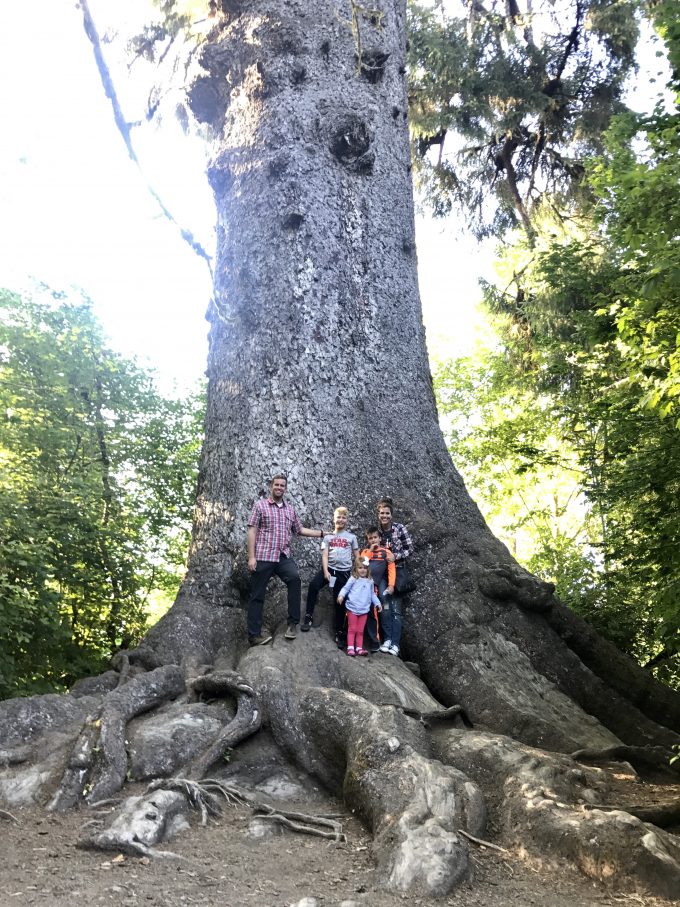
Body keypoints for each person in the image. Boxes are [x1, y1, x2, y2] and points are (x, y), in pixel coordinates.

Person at [246, 474, 325, 646]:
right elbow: (252, 531)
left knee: (295, 579)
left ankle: (292, 624)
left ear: (286, 489)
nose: (279, 488)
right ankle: (254, 635)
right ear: (271, 486)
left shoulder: (290, 510)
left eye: (282, 485)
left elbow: (300, 529)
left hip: (282, 556)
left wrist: (322, 534)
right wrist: (251, 557)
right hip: (263, 556)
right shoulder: (260, 506)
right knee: (257, 595)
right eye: (277, 485)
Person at [302, 507, 359, 640]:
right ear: (334, 519)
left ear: (347, 520)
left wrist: (358, 574)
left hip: (343, 573)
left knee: (340, 600)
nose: (341, 520)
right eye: (338, 517)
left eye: (344, 517)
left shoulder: (352, 537)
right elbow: (325, 556)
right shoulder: (328, 537)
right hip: (329, 569)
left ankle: (339, 631)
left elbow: (357, 557)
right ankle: (308, 616)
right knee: (313, 585)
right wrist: (326, 571)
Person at [375, 497, 414, 657]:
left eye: (387, 513)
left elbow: (410, 548)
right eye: (382, 513)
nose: (384, 516)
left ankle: (396, 644)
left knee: (396, 609)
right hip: (383, 574)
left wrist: (396, 556)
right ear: (378, 515)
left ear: (391, 515)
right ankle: (387, 640)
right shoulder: (377, 533)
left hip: (397, 573)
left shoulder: (399, 529)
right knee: (384, 605)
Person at [360, 526, 397, 654]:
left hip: (377, 585)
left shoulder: (386, 552)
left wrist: (391, 585)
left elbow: (391, 568)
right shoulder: (365, 551)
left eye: (375, 537)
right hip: (364, 584)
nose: (373, 540)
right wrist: (370, 550)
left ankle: (381, 639)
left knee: (381, 605)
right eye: (370, 538)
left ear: (380, 538)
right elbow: (362, 563)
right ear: (367, 540)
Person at [337, 558, 382, 657]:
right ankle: (350, 648)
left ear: (368, 569)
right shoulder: (353, 578)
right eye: (360, 568)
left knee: (360, 630)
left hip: (364, 609)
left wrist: (377, 603)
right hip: (352, 608)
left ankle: (359, 648)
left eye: (365, 568)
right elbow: (346, 588)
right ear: (356, 568)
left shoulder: (370, 581)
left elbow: (372, 594)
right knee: (352, 629)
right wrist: (341, 595)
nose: (362, 570)